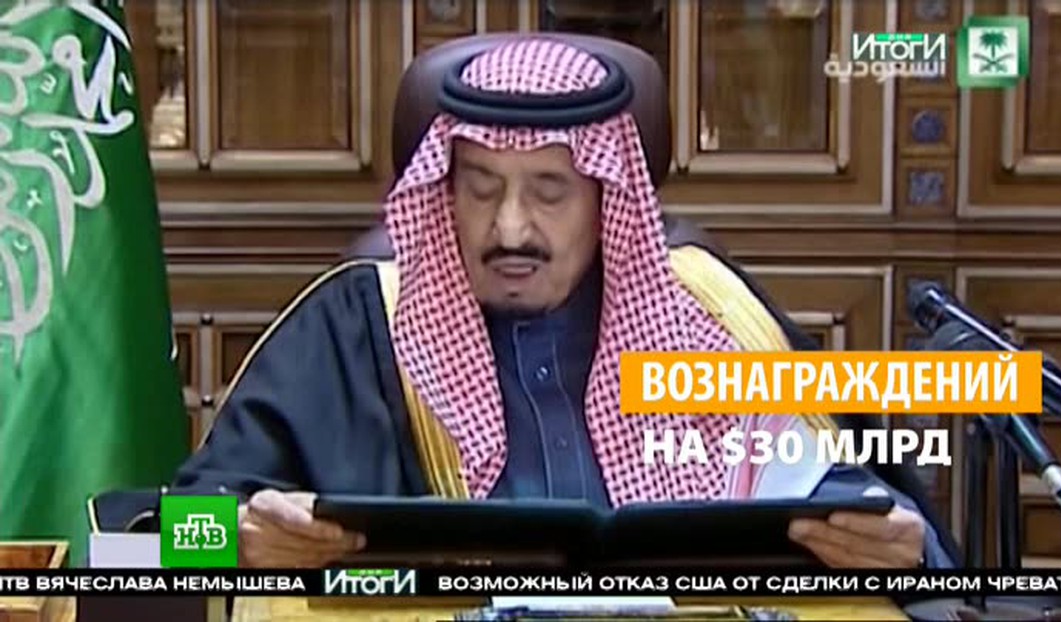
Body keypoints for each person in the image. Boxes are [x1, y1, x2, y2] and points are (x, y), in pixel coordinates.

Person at [171, 36, 958, 570]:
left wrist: (902, 545)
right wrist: (233, 540)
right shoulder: (353, 326)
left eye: (550, 192)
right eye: (479, 189)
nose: (510, 228)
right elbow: (161, 535)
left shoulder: (710, 314)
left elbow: (871, 507)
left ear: (609, 199)